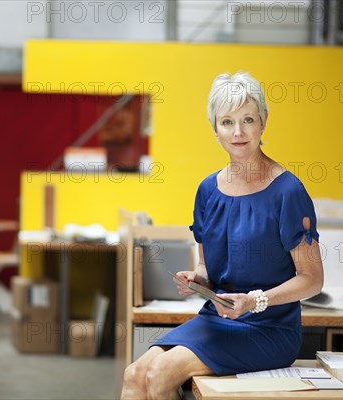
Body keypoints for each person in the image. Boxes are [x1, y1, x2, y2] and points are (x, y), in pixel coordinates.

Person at [121, 72, 324, 400]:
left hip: (269, 329)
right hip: (216, 320)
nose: (239, 132)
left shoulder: (288, 192)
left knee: (160, 373)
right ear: (215, 128)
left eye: (248, 119)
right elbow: (207, 270)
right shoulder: (207, 191)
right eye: (227, 122)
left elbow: (312, 280)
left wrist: (254, 300)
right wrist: (196, 279)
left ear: (264, 121)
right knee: (134, 374)